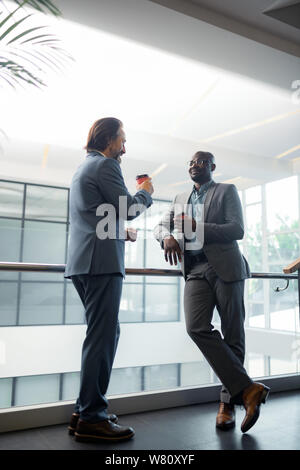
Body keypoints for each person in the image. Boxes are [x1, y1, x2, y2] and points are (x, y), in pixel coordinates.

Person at [154, 150, 269, 433]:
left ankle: (227, 404)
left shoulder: (226, 191)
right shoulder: (180, 199)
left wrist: (198, 227)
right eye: (191, 162)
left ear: (212, 167)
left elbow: (237, 229)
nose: (195, 165)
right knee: (196, 327)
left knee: (233, 334)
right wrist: (166, 236)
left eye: (201, 162)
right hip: (194, 269)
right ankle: (248, 389)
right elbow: (158, 226)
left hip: (225, 268)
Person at [65, 117, 153, 443]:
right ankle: (91, 417)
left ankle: (84, 409)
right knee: (101, 338)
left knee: (103, 334)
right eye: (122, 140)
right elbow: (128, 207)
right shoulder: (105, 166)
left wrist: (119, 230)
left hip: (84, 261)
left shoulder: (83, 167)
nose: (124, 148)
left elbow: (94, 214)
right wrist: (144, 193)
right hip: (100, 263)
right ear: (109, 139)